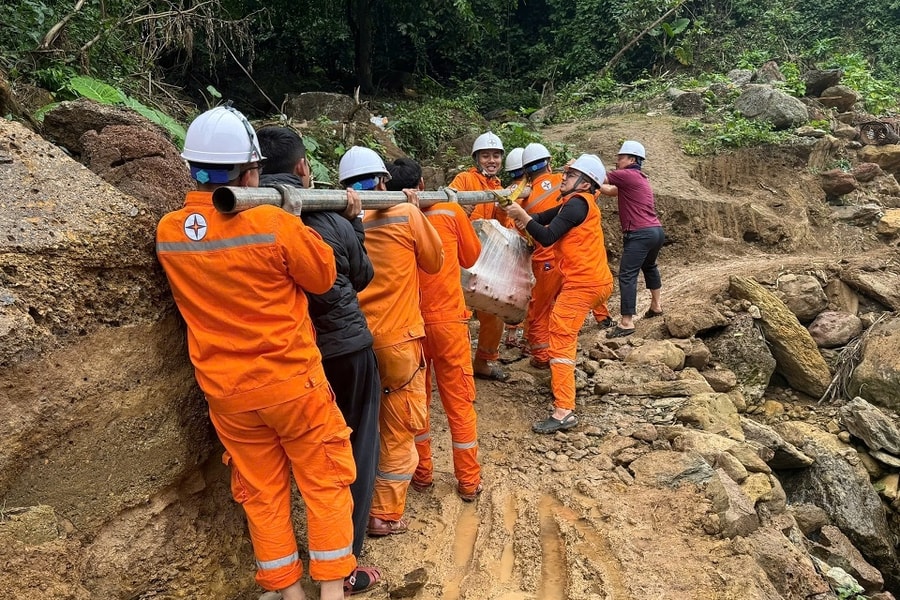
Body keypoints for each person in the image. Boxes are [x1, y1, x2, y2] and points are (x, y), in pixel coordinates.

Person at [156, 105, 355, 600]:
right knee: (324, 483)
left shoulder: (169, 232)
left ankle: (288, 595)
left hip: (228, 395)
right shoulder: (271, 223)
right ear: (252, 170)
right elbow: (324, 278)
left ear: (190, 168)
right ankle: (330, 594)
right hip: (293, 386)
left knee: (262, 496)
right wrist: (292, 217)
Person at [255, 126, 381, 596]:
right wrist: (356, 223)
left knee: (276, 472)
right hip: (344, 349)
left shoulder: (246, 216)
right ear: (303, 167)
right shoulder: (326, 216)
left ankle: (287, 576)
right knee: (353, 451)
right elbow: (360, 275)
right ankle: (343, 563)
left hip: (282, 359)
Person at [341, 147, 444, 536]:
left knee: (363, 426)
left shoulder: (338, 219)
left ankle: (357, 502)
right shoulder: (404, 213)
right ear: (384, 182)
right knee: (400, 427)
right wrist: (417, 211)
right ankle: (383, 514)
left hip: (355, 340)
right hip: (398, 341)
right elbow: (434, 261)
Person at [385, 157, 484, 502]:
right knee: (459, 401)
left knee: (418, 402)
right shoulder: (448, 211)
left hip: (409, 325)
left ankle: (423, 474)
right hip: (449, 321)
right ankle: (469, 481)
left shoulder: (384, 217)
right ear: (423, 184)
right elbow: (471, 258)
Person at [502, 154, 614, 434]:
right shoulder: (571, 203)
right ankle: (557, 384)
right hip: (590, 282)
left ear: (586, 184)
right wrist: (521, 216)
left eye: (571, 175)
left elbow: (547, 236)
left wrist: (523, 217)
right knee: (558, 330)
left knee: (561, 338)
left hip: (583, 284)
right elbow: (541, 219)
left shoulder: (577, 204)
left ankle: (564, 410)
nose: (563, 178)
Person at [449, 131, 510, 381]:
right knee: (459, 313)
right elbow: (449, 203)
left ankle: (483, 362)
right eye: (486, 156)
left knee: (494, 311)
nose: (491, 160)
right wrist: (461, 208)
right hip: (462, 255)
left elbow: (502, 225)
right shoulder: (464, 179)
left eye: (496, 155)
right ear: (477, 159)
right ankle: (458, 365)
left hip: (488, 258)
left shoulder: (499, 187)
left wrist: (505, 211)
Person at [597, 141, 664, 338]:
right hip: (655, 231)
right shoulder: (638, 177)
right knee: (650, 266)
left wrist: (579, 169)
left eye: (620, 157)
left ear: (632, 159)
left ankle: (626, 322)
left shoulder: (625, 175)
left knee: (627, 275)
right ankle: (656, 306)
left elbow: (598, 176)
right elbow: (609, 191)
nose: (617, 161)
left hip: (639, 233)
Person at [517, 143, 565, 370]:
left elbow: (516, 230)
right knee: (564, 306)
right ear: (549, 162)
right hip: (568, 257)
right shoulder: (565, 181)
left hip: (545, 260)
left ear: (526, 170)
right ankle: (563, 349)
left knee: (540, 310)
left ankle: (542, 356)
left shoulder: (523, 196)